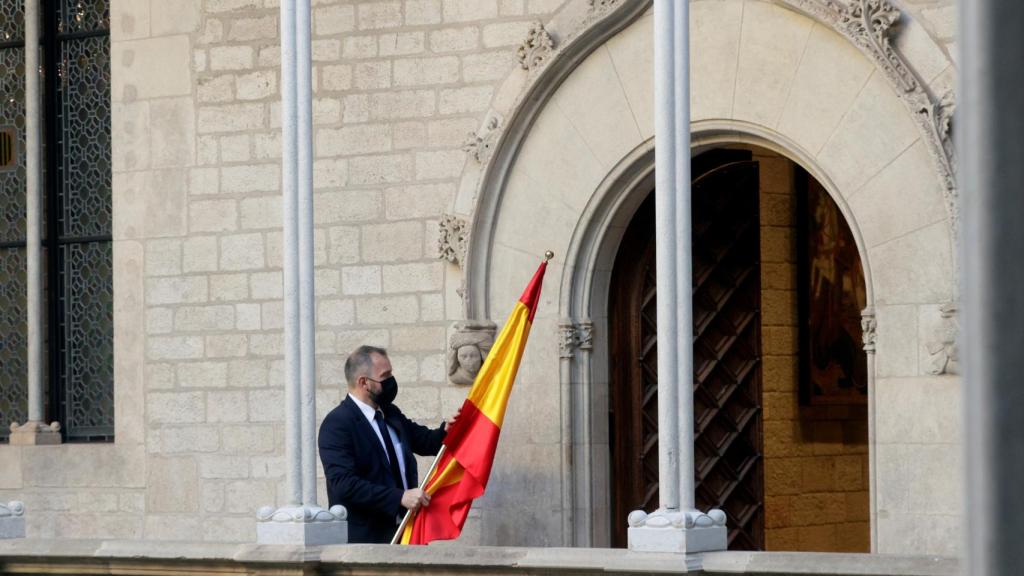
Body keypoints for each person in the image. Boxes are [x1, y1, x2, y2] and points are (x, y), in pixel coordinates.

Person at [318, 345, 456, 544]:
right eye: (385, 375)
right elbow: (343, 484)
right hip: (366, 541)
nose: (391, 381)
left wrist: (448, 431)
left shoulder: (390, 413)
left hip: (405, 532)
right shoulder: (338, 424)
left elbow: (426, 442)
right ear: (364, 382)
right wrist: (399, 497)